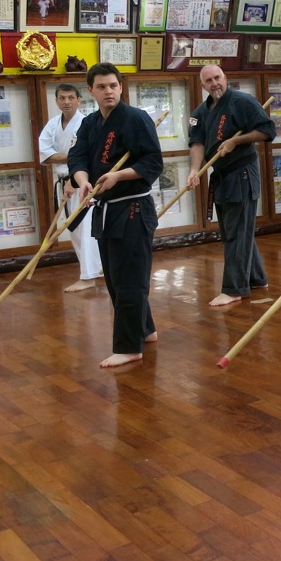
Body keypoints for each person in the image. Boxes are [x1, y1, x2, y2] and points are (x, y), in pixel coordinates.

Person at [69, 63, 163, 369]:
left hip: (133, 207)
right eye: (101, 87)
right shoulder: (90, 123)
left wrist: (118, 175)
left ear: (121, 87)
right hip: (105, 210)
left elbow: (153, 161)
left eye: (113, 85)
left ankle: (129, 347)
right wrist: (83, 180)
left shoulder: (135, 118)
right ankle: (145, 330)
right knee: (114, 278)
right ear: (91, 91)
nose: (108, 91)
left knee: (130, 279)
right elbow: (77, 157)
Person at [186, 65, 276, 306]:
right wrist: (194, 170)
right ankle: (256, 278)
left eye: (217, 78)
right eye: (208, 80)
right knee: (234, 230)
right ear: (203, 85)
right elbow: (197, 143)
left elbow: (267, 130)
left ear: (225, 78)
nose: (214, 83)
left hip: (242, 173)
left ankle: (234, 289)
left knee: (237, 231)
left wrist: (237, 141)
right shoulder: (200, 112)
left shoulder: (242, 102)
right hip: (221, 176)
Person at [39, 83, 102, 292]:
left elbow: (91, 155)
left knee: (86, 230)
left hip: (83, 182)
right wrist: (75, 156)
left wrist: (75, 173)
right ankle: (96, 269)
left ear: (79, 100)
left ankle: (89, 276)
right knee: (73, 230)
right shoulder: (52, 124)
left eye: (71, 98)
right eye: (62, 98)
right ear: (57, 101)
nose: (66, 102)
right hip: (63, 182)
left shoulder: (86, 122)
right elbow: (45, 155)